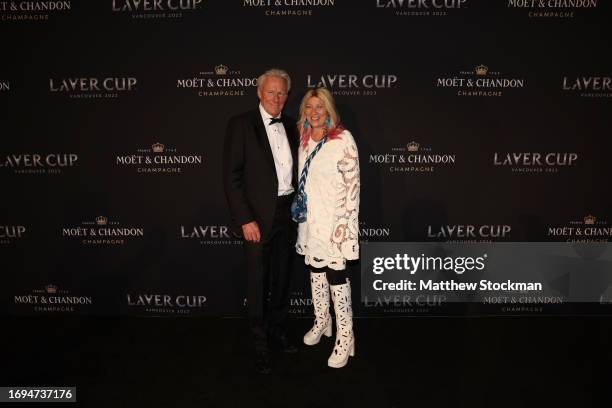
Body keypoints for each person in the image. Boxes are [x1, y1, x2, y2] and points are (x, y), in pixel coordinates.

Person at [222, 68, 298, 375]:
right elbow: (231, 176)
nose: (277, 98)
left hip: (288, 213)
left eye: (282, 93)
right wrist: (245, 219)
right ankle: (259, 343)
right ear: (259, 92)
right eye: (271, 92)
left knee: (282, 278)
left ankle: (278, 331)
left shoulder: (293, 126)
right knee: (257, 282)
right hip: (256, 218)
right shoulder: (240, 124)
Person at [295, 87, 359, 368]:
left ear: (329, 109)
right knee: (315, 270)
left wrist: (345, 228)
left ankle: (346, 336)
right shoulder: (304, 138)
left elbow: (353, 188)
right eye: (309, 107)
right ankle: (323, 321)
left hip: (335, 223)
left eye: (320, 107)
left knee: (336, 275)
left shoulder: (343, 139)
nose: (314, 112)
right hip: (311, 221)